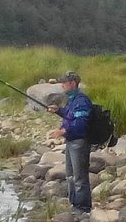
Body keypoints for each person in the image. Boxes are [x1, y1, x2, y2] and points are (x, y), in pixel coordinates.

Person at [48, 71, 92, 215]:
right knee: (70, 176)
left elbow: (81, 123)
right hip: (71, 142)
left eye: (64, 83)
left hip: (79, 143)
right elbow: (69, 114)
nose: (62, 85)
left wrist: (63, 131)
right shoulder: (72, 100)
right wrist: (58, 110)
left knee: (80, 177)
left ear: (73, 83)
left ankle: (83, 208)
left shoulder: (82, 100)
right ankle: (74, 204)